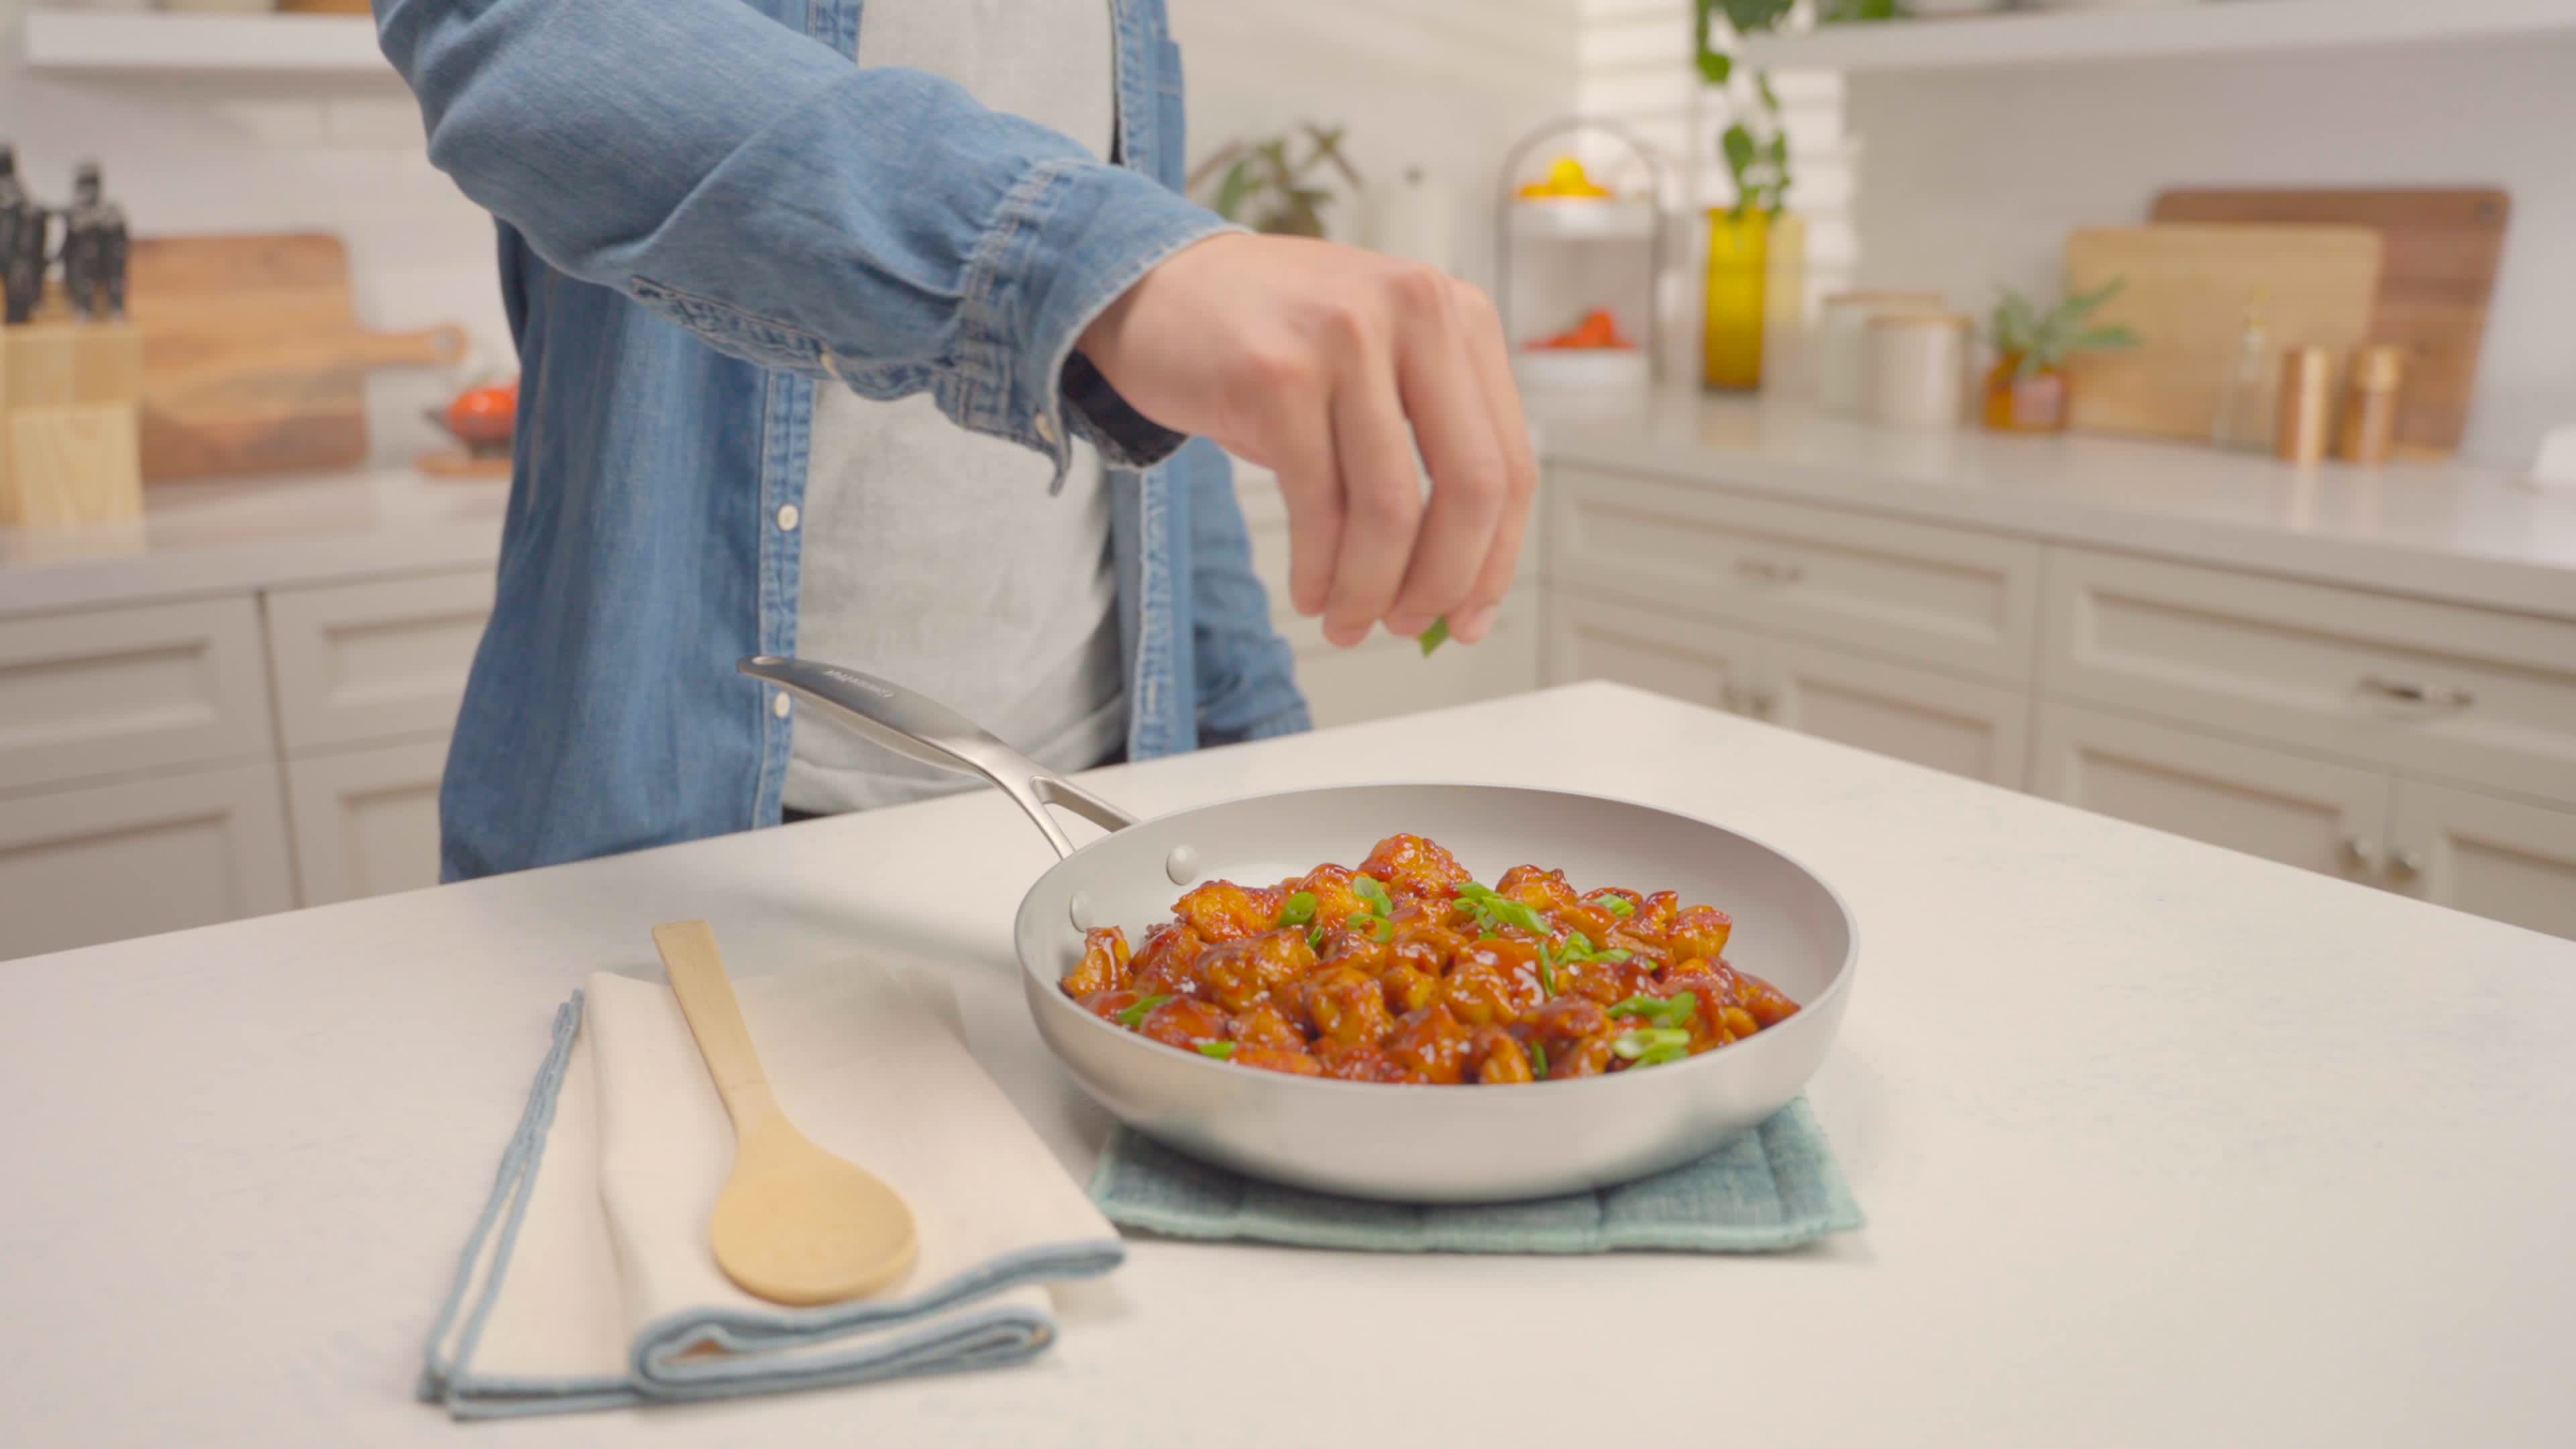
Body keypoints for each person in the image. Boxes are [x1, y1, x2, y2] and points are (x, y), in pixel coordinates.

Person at [376, 0, 1535, 881]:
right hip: (681, 843)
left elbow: (1147, 414)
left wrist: (1255, 751)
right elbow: (515, 32)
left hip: (1090, 808)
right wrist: (1077, 258)